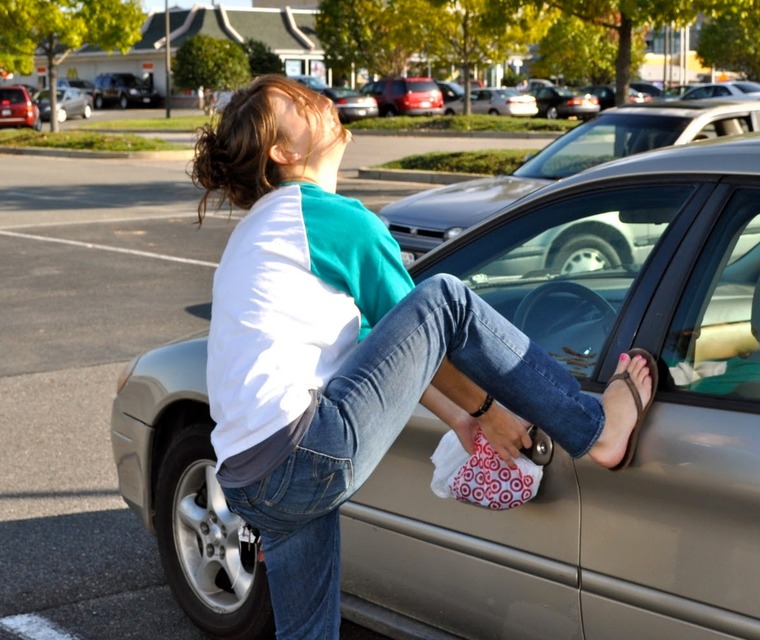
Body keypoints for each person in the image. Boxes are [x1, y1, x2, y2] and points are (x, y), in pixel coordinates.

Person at [188, 75, 655, 640]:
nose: (320, 103)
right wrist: (490, 412)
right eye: (300, 104)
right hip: (302, 452)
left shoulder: (259, 233)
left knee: (307, 634)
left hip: (248, 477)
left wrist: (461, 417)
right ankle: (597, 431)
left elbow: (382, 341)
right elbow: (427, 321)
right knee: (446, 299)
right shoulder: (328, 219)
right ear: (283, 152)